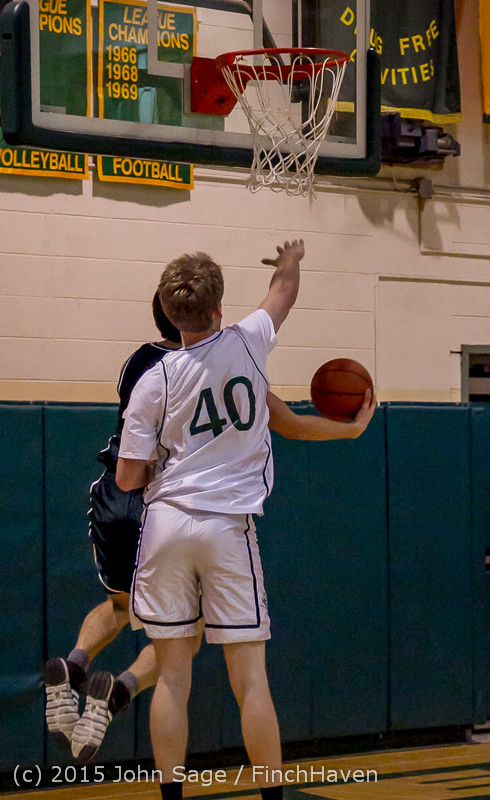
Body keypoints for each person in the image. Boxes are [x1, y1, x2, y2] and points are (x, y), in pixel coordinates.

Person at [116, 242, 375, 800]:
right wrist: (292, 262)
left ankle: (170, 796)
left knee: (173, 677)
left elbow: (128, 479)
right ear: (217, 310)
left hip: (164, 525)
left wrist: (166, 459)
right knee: (250, 679)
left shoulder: (151, 382)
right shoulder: (248, 340)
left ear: (168, 312)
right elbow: (283, 293)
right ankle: (272, 795)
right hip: (227, 528)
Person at [42, 294, 205, 764]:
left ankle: (74, 664)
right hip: (160, 499)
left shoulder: (138, 359)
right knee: (184, 634)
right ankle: (117, 691)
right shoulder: (199, 366)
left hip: (112, 492)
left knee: (120, 604)